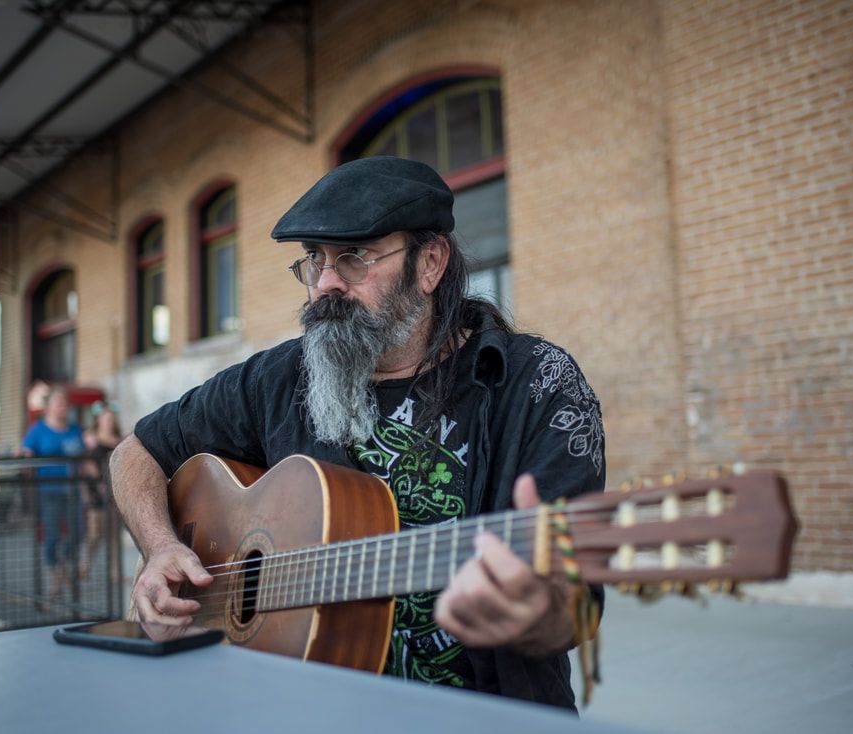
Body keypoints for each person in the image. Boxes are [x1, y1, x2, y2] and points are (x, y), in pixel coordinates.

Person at [110, 156, 605, 710]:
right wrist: (160, 549)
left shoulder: (537, 384)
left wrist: (535, 612)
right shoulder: (278, 378)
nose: (325, 283)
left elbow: (576, 605)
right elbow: (135, 454)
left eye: (353, 258)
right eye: (313, 261)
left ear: (431, 263)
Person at [20, 385, 86, 598]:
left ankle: (62, 569)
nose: (63, 407)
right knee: (51, 536)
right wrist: (24, 455)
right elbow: (25, 451)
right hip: (49, 490)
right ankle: (56, 579)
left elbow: (87, 450)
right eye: (58, 403)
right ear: (48, 407)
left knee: (79, 532)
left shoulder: (75, 429)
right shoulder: (38, 430)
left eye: (65, 403)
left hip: (73, 488)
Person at [81, 404, 122, 580]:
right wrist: (99, 482)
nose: (108, 421)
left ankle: (114, 573)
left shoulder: (119, 440)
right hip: (96, 490)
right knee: (95, 533)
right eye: (105, 418)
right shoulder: (91, 438)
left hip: (114, 490)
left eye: (111, 418)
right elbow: (86, 463)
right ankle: (85, 565)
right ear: (98, 420)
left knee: (113, 534)